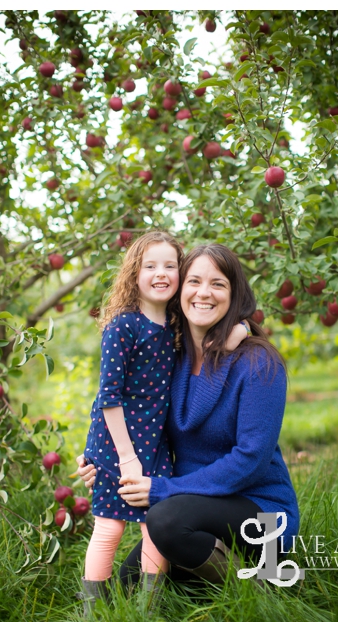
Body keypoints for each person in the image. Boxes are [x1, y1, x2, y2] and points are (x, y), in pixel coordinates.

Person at [78, 243, 298, 594]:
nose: (204, 293)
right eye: (194, 281)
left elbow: (251, 460)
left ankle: (263, 585)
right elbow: (136, 415)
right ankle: (214, 573)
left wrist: (163, 489)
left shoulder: (258, 363)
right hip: (193, 503)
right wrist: (100, 459)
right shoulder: (171, 355)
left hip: (260, 510)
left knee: (163, 523)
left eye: (218, 284)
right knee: (129, 585)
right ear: (180, 290)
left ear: (234, 294)